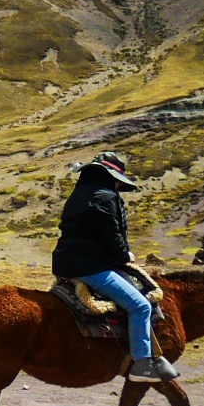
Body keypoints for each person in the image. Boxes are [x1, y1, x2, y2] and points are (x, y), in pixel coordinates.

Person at [53, 149, 177, 381]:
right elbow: (112, 236)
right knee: (140, 306)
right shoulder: (107, 197)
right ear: (113, 179)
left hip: (64, 262)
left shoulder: (79, 194)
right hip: (91, 267)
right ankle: (142, 364)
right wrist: (124, 256)